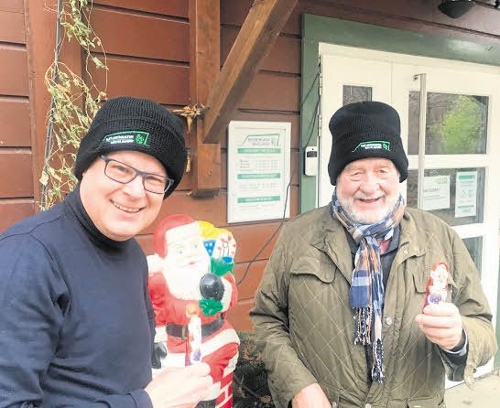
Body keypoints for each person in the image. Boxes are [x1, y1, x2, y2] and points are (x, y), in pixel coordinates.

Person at [250, 101, 497, 408]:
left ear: (398, 175)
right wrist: (299, 387)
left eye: (383, 170)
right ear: (337, 177)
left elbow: (483, 329)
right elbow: (267, 320)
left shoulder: (439, 236)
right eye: (355, 171)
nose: (370, 186)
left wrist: (459, 338)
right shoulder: (298, 237)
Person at [0, 96, 213, 407]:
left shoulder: (132, 255)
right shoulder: (29, 258)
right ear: (86, 165)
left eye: (153, 179)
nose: (135, 191)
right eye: (120, 169)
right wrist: (147, 404)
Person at [147, 214, 240, 408]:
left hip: (214, 340)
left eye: (195, 247)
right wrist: (155, 341)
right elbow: (156, 315)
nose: (190, 254)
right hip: (175, 346)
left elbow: (230, 300)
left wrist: (219, 287)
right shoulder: (160, 281)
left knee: (211, 388)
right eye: (180, 250)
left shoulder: (215, 272)